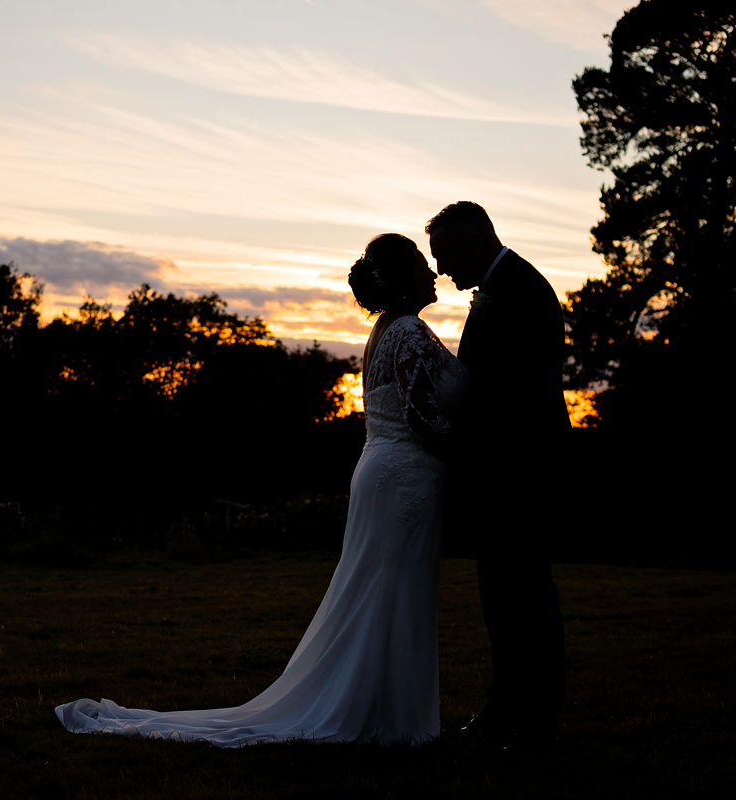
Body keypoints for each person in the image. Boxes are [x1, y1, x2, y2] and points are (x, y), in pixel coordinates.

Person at [55, 233, 467, 746]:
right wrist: (471, 455)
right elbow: (420, 414)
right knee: (392, 590)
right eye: (421, 266)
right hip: (404, 475)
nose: (432, 274)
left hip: (382, 470)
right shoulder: (407, 331)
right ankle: (389, 719)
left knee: (378, 589)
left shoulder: (387, 329)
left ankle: (383, 708)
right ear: (402, 280)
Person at [425, 201, 569, 745]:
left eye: (444, 255)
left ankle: (526, 715)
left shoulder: (518, 291)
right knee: (510, 594)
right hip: (510, 472)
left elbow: (508, 396)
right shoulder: (504, 285)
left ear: (475, 242)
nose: (441, 269)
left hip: (519, 474)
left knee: (521, 594)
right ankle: (515, 709)